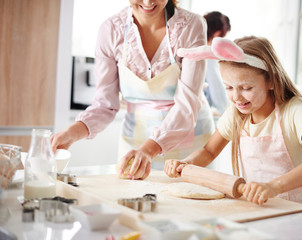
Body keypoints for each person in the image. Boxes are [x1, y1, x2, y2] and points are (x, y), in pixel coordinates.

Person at [51, 0, 215, 180]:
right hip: (135, 141)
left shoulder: (191, 26)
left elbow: (187, 105)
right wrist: (70, 133)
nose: (147, 2)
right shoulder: (111, 30)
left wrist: (149, 149)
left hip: (189, 141)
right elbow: (105, 105)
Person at [165, 36, 302, 206]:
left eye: (246, 88)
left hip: (296, 211)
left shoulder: (295, 112)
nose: (236, 97)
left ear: (271, 81)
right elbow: (209, 151)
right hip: (256, 208)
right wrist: (185, 163)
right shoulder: (236, 114)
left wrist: (273, 187)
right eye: (229, 88)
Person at [203, 11, 231, 118]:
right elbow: (217, 93)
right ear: (217, 33)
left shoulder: (189, 46)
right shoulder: (209, 54)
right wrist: (225, 112)